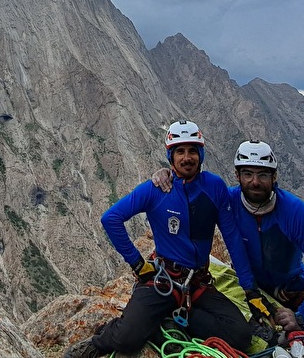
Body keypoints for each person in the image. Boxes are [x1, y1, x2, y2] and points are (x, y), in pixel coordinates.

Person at [63, 121, 274, 358]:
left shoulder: (214, 187)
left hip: (198, 283)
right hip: (163, 280)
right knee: (127, 338)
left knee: (240, 336)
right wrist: (138, 265)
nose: (187, 158)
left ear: (201, 154)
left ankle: (169, 321)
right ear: (170, 157)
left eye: (192, 150)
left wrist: (251, 291)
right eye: (180, 151)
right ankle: (97, 343)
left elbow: (233, 240)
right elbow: (111, 219)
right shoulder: (156, 189)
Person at [153, 139, 304, 336]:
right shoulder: (228, 201)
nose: (255, 181)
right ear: (237, 175)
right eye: (247, 174)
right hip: (250, 288)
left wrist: (303, 318)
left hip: (291, 291)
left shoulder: (294, 211)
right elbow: (189, 196)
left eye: (262, 174)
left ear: (274, 176)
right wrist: (169, 175)